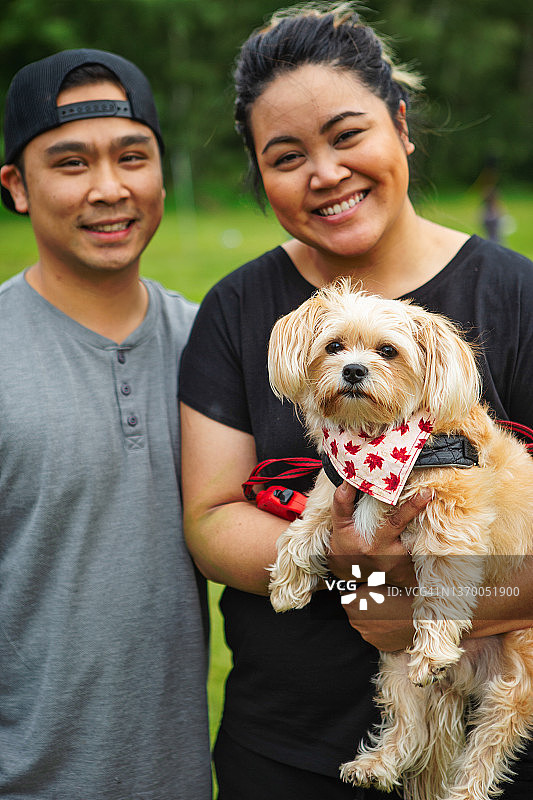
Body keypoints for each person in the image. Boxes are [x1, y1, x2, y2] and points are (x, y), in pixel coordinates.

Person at [179, 4, 533, 799]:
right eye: (286, 156)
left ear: (400, 125)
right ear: (258, 174)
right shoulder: (237, 310)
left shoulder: (517, 297)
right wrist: (354, 576)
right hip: (287, 750)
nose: (325, 173)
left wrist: (409, 599)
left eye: (347, 135)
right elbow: (209, 520)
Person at [0, 49, 211, 799]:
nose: (110, 188)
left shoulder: (209, 347)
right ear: (16, 187)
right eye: (71, 163)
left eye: (132, 156)